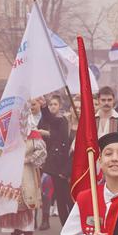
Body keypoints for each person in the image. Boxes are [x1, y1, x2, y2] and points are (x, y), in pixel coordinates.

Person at [1, 128, 46, 235]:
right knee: (11, 213)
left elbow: (42, 152)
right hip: (9, 175)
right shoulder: (5, 134)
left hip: (27, 175)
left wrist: (27, 159)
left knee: (27, 213)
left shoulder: (33, 134)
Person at [39, 94, 72, 228]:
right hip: (56, 165)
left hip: (69, 164)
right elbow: (50, 120)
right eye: (51, 104)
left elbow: (61, 137)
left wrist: (47, 134)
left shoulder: (64, 120)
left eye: (55, 104)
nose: (53, 107)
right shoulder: (54, 120)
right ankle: (65, 229)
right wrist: (44, 107)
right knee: (60, 198)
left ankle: (73, 227)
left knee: (70, 200)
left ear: (61, 106)